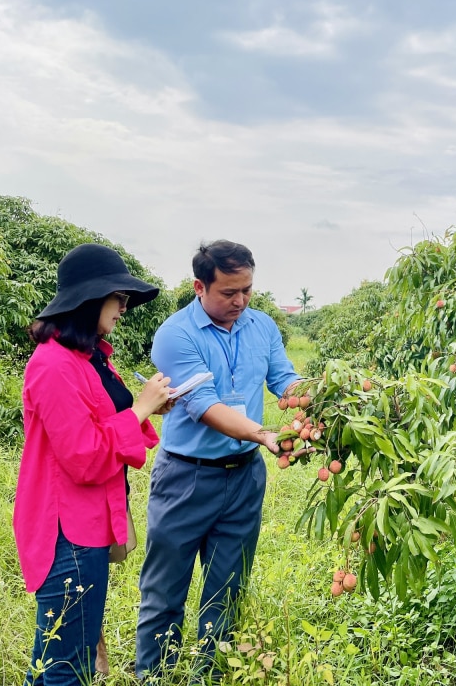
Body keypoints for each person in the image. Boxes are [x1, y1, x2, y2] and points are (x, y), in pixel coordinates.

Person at [135, 240, 301, 679]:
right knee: (164, 589)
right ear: (198, 287)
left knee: (228, 587)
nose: (240, 301)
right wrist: (264, 434)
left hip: (245, 476)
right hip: (186, 479)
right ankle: (154, 675)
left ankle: (207, 673)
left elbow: (284, 379)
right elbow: (203, 405)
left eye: (247, 290)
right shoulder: (176, 335)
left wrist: (329, 396)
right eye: (229, 293)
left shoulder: (262, 326)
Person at [13, 243, 174, 685]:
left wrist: (148, 408)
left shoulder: (90, 358)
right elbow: (84, 457)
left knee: (55, 658)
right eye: (117, 298)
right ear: (89, 299)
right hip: (67, 531)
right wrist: (139, 410)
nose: (123, 307)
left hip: (87, 524)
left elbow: (104, 419)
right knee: (68, 665)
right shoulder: (53, 365)